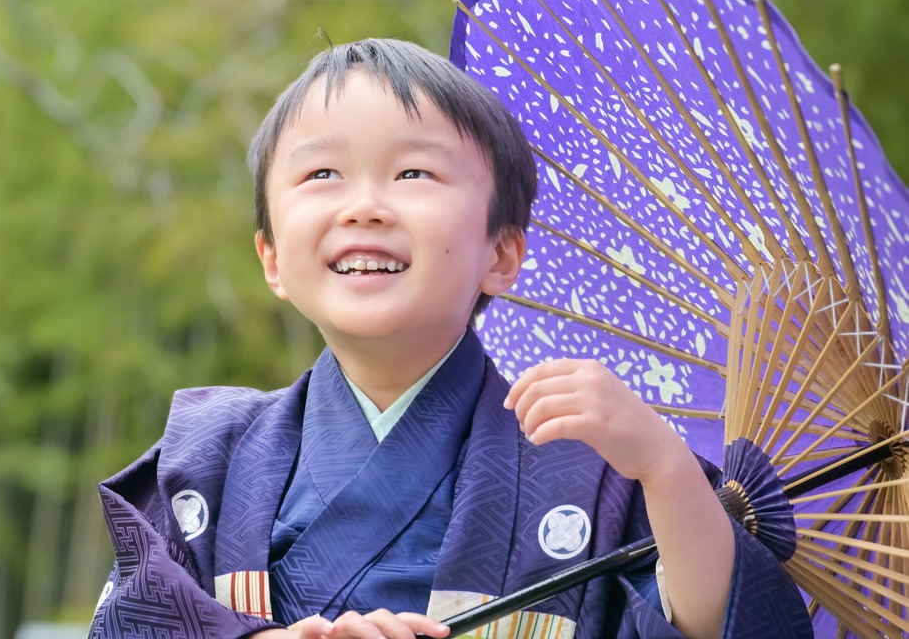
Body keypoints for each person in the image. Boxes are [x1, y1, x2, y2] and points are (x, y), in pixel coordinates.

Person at [87, 39, 812, 639]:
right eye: (322, 173)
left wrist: (663, 466)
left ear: (501, 254)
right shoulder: (209, 455)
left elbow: (721, 625)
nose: (364, 206)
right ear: (272, 257)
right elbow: (130, 617)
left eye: (414, 172)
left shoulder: (595, 463)